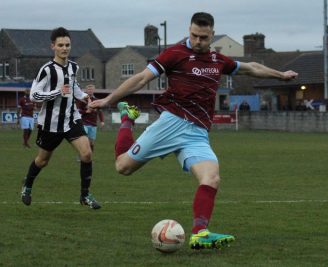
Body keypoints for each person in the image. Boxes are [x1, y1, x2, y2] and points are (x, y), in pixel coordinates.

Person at [90, 12, 297, 249]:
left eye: (204, 38)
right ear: (189, 31)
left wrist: (281, 75)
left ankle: (200, 232)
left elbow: (250, 68)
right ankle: (128, 118)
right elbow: (141, 78)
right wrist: (108, 100)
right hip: (171, 123)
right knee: (123, 167)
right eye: (194, 36)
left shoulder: (217, 60)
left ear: (212, 35)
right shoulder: (175, 54)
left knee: (211, 177)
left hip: (197, 132)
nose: (198, 41)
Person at [20, 27, 101, 209]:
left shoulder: (73, 66)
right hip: (50, 123)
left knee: (87, 153)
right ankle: (27, 186)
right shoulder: (46, 70)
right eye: (61, 45)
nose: (65, 48)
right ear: (53, 47)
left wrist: (86, 98)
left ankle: (85, 195)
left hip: (71, 119)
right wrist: (57, 92)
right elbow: (34, 95)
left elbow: (74, 88)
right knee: (42, 161)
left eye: (67, 45)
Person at [76, 84, 105, 154]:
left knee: (91, 142)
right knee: (84, 141)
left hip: (93, 124)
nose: (90, 91)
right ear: (86, 90)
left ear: (94, 90)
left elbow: (100, 111)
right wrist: (86, 111)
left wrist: (102, 121)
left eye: (91, 89)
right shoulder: (82, 100)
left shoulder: (97, 100)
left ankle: (89, 155)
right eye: (89, 89)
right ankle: (81, 155)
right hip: (84, 123)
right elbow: (78, 111)